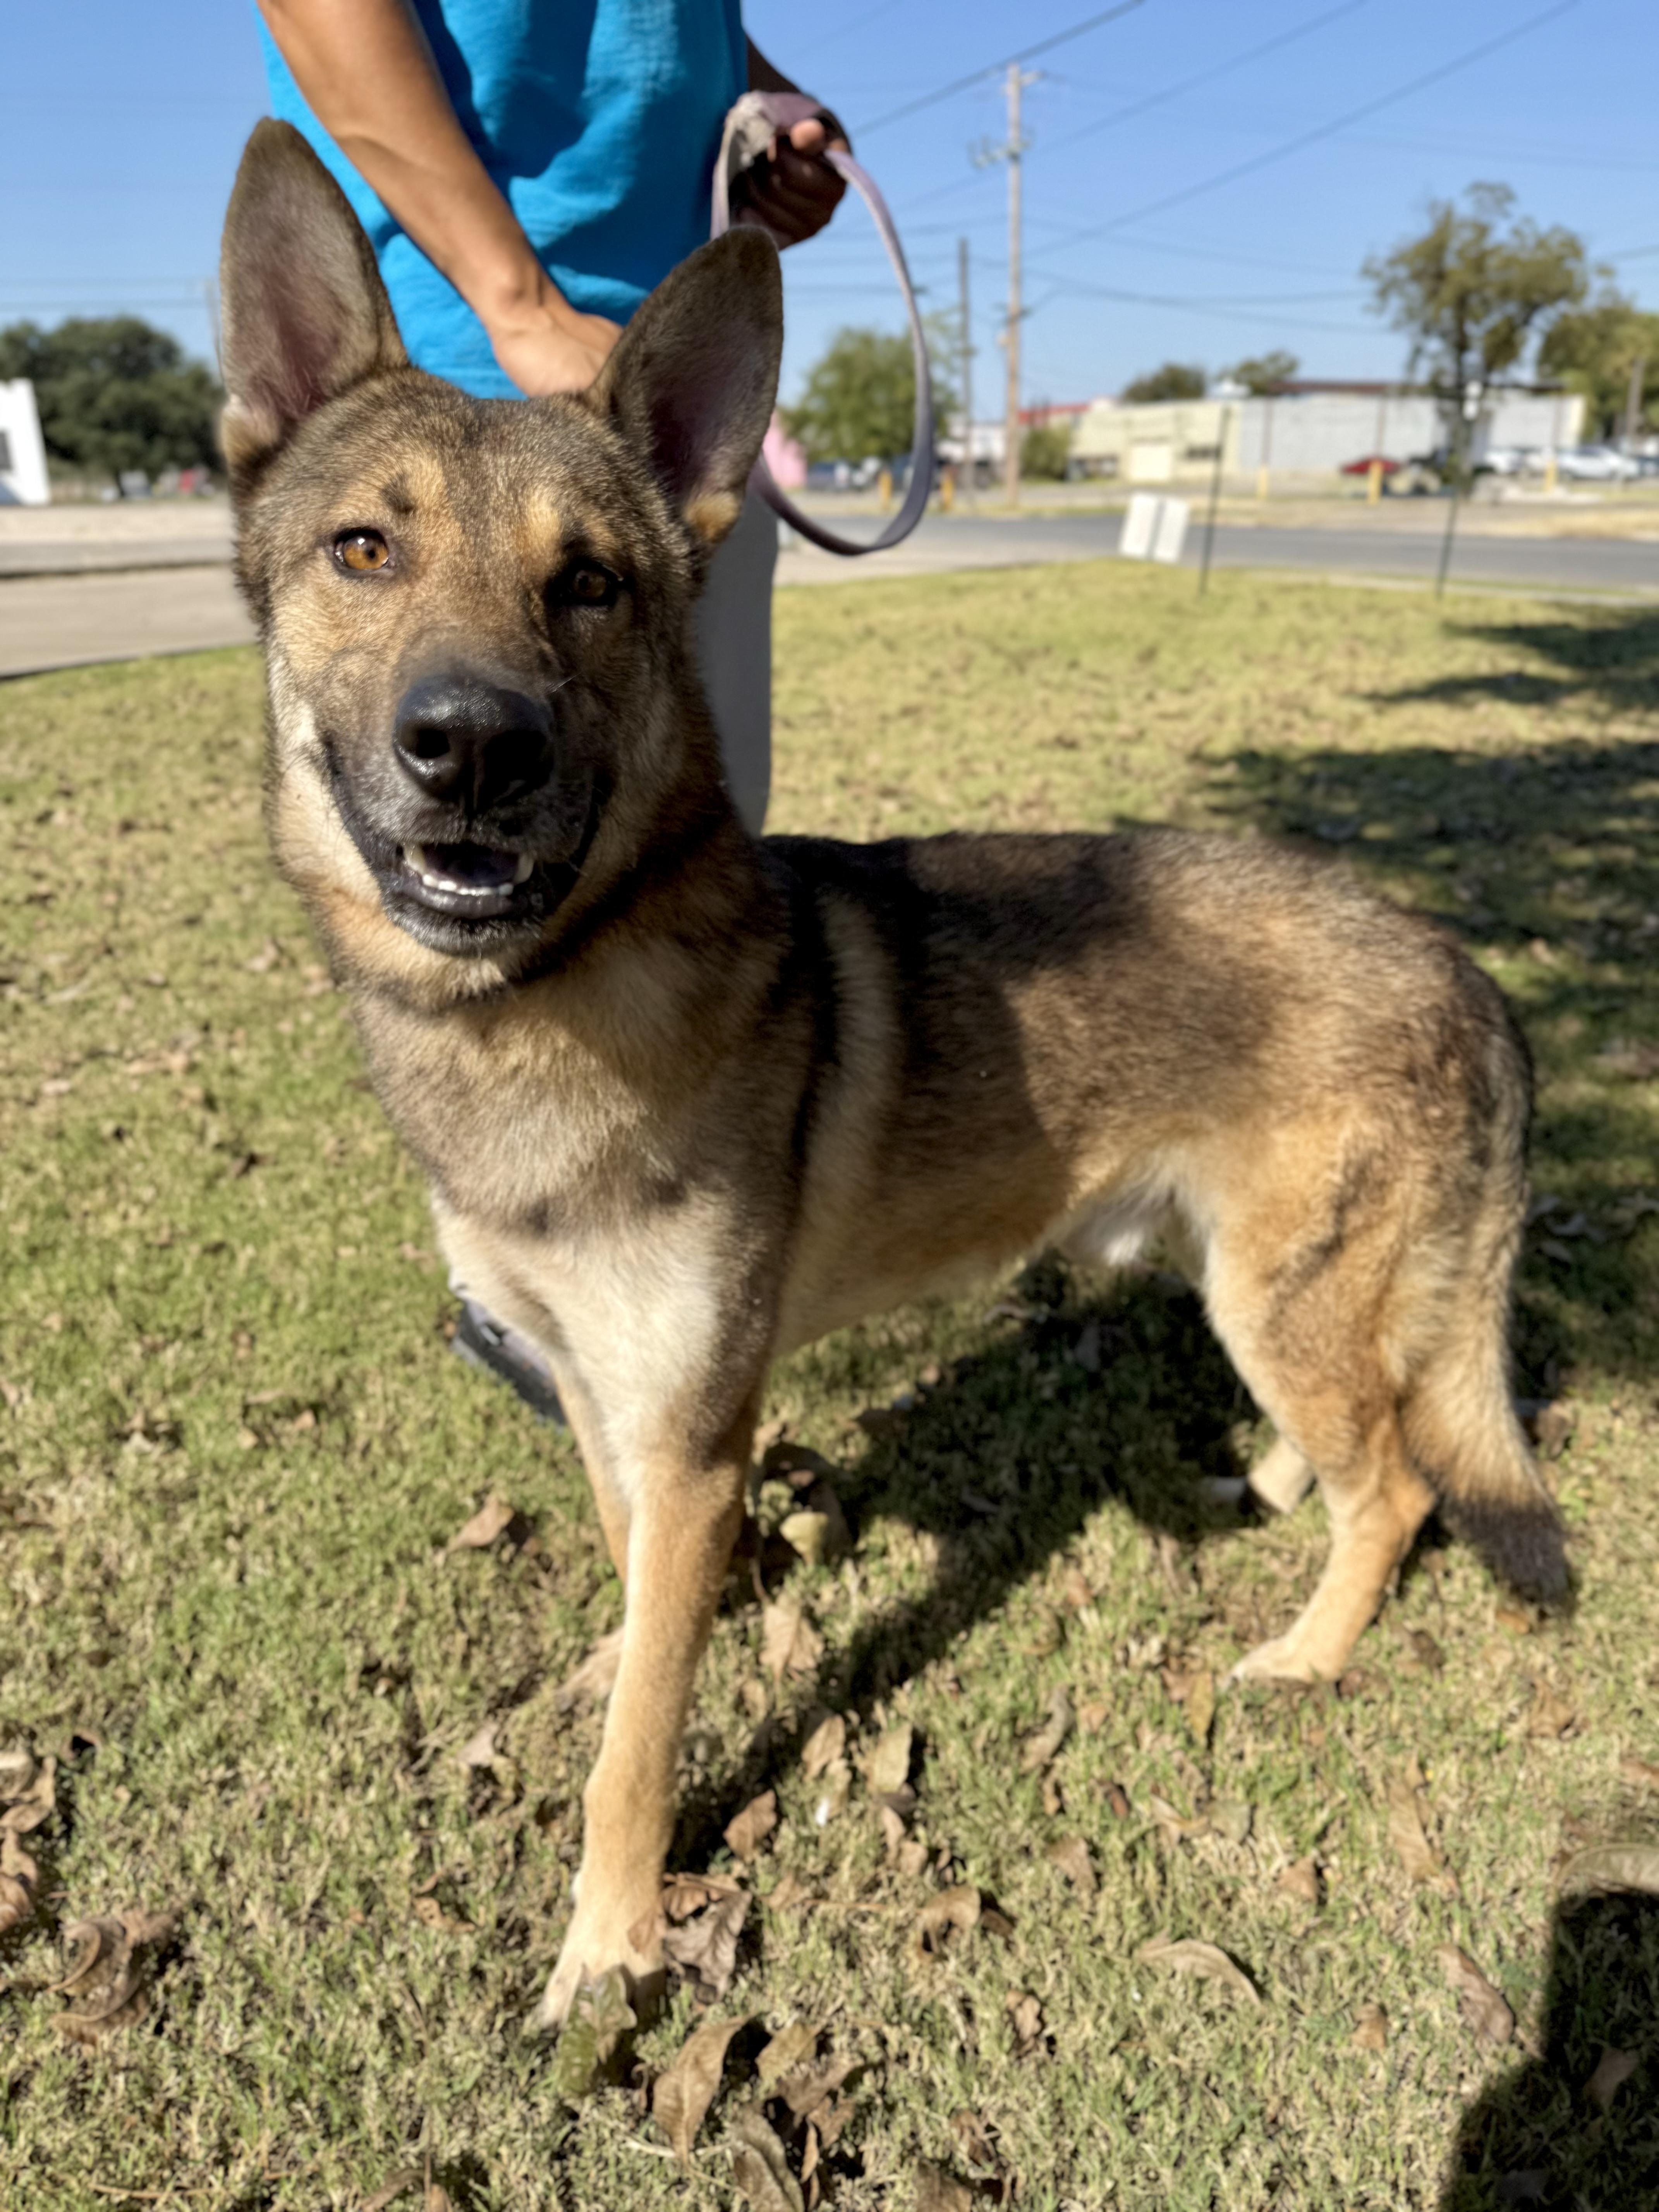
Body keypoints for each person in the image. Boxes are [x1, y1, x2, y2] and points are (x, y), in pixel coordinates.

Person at [252, 1, 848, 1412]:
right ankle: (525, 1292)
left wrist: (770, 112)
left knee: (675, 876)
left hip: (662, 393)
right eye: (355, 554)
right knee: (440, 862)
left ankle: (672, 1294)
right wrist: (514, 299)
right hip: (465, 339)